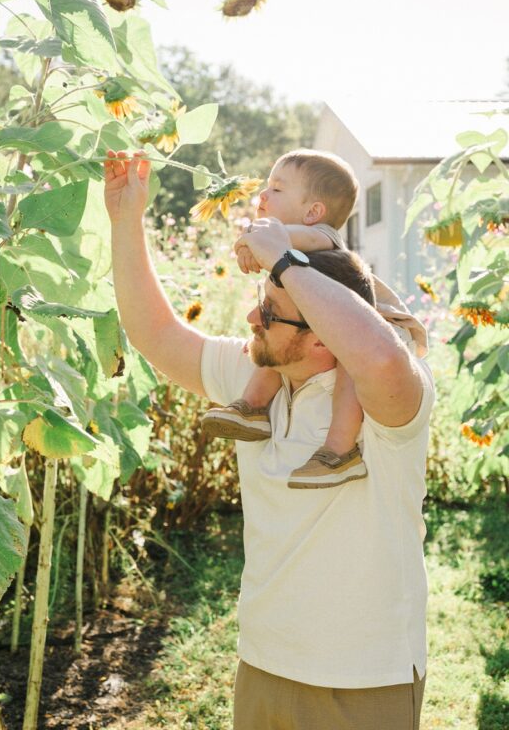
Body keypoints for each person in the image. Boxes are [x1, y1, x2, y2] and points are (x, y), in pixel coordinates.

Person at [105, 150, 433, 729]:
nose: (253, 320)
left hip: (363, 678)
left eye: (271, 312)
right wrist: (126, 218)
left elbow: (381, 355)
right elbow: (154, 333)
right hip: (263, 664)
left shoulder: (386, 405)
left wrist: (283, 259)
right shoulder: (259, 373)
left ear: (324, 337)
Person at [200, 149, 428, 488]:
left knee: (350, 375)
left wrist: (257, 240)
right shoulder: (291, 241)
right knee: (277, 340)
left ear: (313, 212)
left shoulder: (322, 235)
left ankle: (339, 450)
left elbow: (279, 244)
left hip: (368, 324)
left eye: (277, 189)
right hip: (323, 321)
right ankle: (253, 407)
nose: (263, 195)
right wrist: (254, 243)